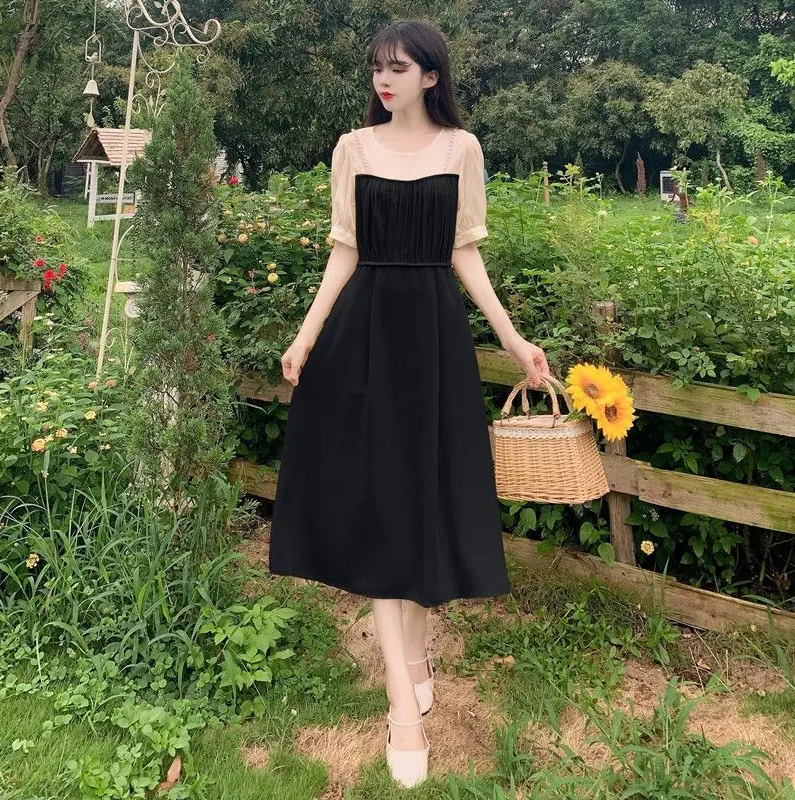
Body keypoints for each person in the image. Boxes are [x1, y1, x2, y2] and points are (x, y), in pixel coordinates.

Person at [268, 19, 550, 788]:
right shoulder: (352, 149)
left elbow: (465, 252)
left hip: (433, 343)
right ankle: (402, 708)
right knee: (386, 508)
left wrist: (514, 339)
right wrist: (304, 337)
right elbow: (344, 249)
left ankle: (418, 659)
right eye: (377, 68)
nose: (383, 80)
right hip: (363, 338)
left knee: (421, 502)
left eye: (399, 68)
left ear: (431, 76)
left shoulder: (462, 149)